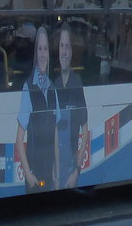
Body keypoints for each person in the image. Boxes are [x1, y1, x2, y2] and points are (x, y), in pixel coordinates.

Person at [16, 25, 57, 190]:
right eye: (39, 49)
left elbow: (55, 132)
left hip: (50, 172)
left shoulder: (52, 87)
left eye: (45, 49)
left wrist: (56, 168)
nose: (42, 54)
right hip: (35, 172)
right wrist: (28, 174)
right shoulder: (28, 87)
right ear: (35, 53)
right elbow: (19, 139)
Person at [53, 25, 89, 189]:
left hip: (72, 166)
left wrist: (76, 172)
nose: (64, 52)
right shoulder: (54, 84)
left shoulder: (77, 83)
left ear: (72, 51)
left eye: (67, 46)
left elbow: (85, 130)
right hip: (57, 168)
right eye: (61, 46)